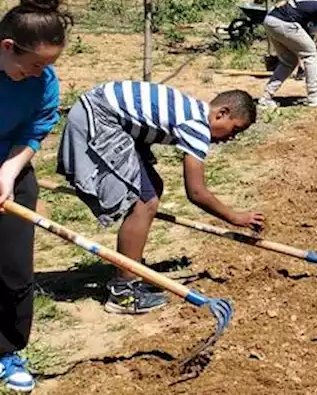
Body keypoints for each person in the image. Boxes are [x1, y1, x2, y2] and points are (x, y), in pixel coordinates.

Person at [57, 83, 264, 315]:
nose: (230, 139)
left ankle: (131, 264)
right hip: (99, 114)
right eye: (234, 130)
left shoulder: (192, 111)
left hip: (108, 114)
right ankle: (123, 292)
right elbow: (196, 192)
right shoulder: (197, 125)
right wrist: (234, 217)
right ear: (221, 113)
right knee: (145, 202)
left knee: (151, 188)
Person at [0, 0, 69, 392]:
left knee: (13, 269)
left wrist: (8, 172)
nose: (39, 74)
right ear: (7, 46)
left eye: (48, 66)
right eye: (32, 66)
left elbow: (36, 127)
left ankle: (7, 350)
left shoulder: (44, 82)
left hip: (12, 169)